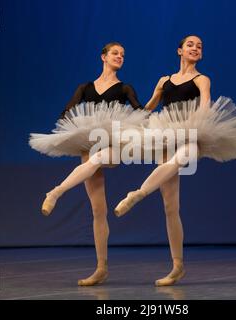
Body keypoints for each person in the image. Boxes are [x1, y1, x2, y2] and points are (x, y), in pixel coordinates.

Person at [114, 35, 236, 286]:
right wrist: (129, 123)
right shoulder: (164, 80)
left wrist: (195, 125)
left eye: (199, 46)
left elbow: (206, 101)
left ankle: (137, 194)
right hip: (166, 132)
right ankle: (177, 266)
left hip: (192, 132)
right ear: (179, 51)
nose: (195, 48)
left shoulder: (202, 79)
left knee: (182, 158)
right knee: (170, 206)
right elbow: (149, 107)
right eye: (191, 45)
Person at [29, 42, 147, 286]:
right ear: (103, 56)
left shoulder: (124, 88)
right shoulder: (85, 88)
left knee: (99, 158)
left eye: (123, 55)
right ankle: (101, 268)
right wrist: (68, 127)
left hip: (115, 142)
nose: (120, 57)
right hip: (89, 142)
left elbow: (140, 111)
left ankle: (56, 191)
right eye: (115, 53)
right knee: (98, 210)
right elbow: (67, 111)